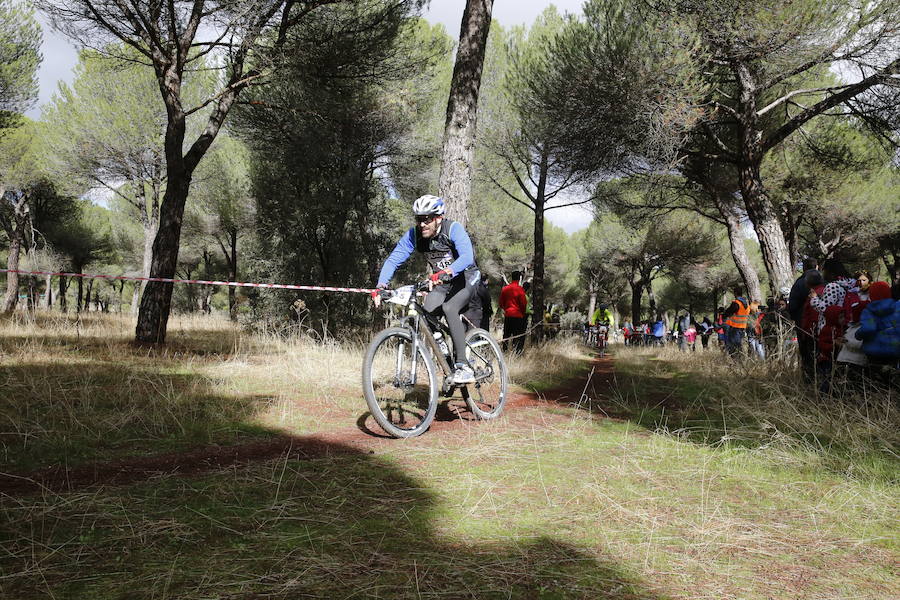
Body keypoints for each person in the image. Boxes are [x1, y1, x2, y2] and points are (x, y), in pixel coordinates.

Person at [373, 195, 481, 383]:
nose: (422, 224)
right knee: (426, 313)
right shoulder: (414, 235)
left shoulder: (452, 228)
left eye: (427, 219)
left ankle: (463, 365)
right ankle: (448, 361)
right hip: (442, 282)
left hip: (467, 276)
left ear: (438, 218)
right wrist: (381, 286)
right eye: (419, 219)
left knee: (449, 308)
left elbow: (467, 257)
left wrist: (448, 270)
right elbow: (393, 260)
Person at [500, 271, 527, 354]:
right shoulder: (520, 289)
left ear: (511, 277)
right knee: (516, 336)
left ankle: (504, 353)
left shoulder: (505, 289)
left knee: (506, 335)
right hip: (518, 316)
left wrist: (507, 309)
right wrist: (522, 313)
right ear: (519, 278)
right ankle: (515, 354)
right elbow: (523, 304)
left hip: (508, 315)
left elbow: (501, 303)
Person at [722, 292, 751, 358]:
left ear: (735, 293)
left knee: (732, 345)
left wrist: (724, 315)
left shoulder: (736, 303)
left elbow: (728, 312)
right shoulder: (747, 304)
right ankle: (740, 359)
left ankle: (736, 361)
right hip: (742, 327)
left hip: (734, 327)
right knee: (738, 344)